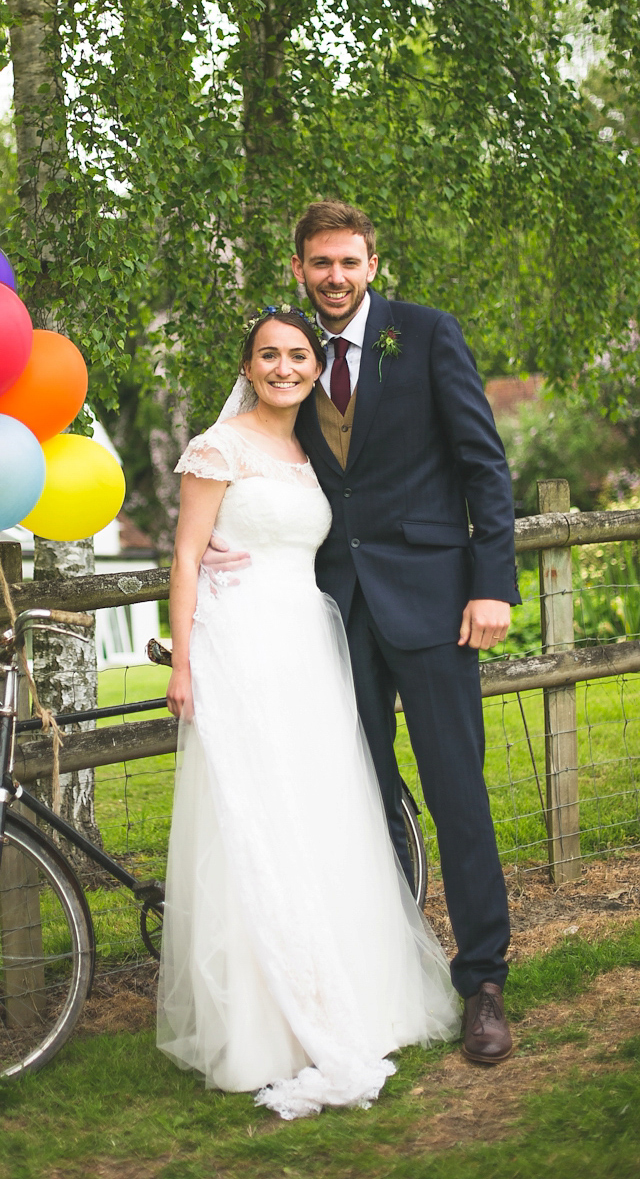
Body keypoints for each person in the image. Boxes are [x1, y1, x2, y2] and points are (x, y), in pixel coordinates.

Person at [204, 200, 520, 1065]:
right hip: (331, 617)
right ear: (298, 268)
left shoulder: (425, 335)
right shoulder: (292, 358)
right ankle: (381, 973)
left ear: (372, 264)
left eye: (349, 263)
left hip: (435, 603)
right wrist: (223, 547)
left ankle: (483, 983)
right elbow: (254, 454)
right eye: (320, 264)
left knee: (457, 793)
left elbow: (483, 466)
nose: (334, 278)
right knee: (360, 797)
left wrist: (493, 585)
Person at [158, 308, 460, 1120]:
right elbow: (186, 553)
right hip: (241, 646)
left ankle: (355, 995)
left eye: (299, 355)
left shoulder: (311, 453)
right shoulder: (216, 448)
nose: (286, 366)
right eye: (269, 355)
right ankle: (264, 1029)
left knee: (323, 815)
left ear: (314, 368)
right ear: (248, 366)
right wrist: (183, 661)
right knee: (258, 818)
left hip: (310, 648)